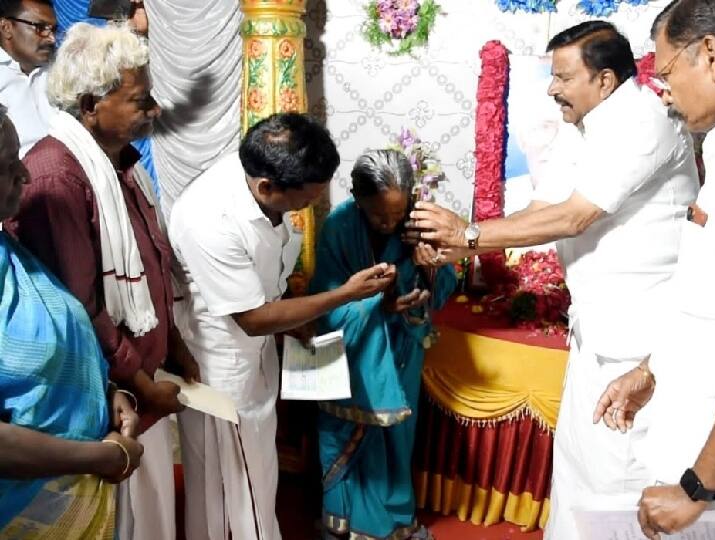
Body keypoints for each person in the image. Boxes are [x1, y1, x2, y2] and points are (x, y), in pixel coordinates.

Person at [405, 21, 699, 540]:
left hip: (640, 346)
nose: (551, 88)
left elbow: (575, 218)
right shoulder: (583, 124)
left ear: (604, 80)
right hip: (595, 335)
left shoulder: (642, 119)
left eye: (562, 76)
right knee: (577, 475)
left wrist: (468, 233)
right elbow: (543, 209)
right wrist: (455, 244)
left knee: (620, 483)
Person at [4, 22, 197, 540]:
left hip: (135, 387)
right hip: (106, 396)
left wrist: (172, 345)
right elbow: (81, 305)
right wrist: (139, 384)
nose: (153, 110)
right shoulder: (55, 178)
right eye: (140, 100)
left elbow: (151, 265)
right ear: (90, 105)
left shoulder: (120, 163)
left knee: (146, 516)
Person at [169, 113, 396, 540]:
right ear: (267, 187)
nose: (308, 207)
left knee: (246, 476)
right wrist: (346, 293)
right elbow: (253, 319)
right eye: (304, 201)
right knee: (238, 483)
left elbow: (264, 286)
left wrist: (297, 322)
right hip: (221, 366)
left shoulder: (263, 184)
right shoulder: (210, 217)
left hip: (254, 351)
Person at [588, 1, 715, 537]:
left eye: (665, 73)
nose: (663, 91)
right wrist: (652, 367)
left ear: (710, 55)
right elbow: (703, 297)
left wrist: (699, 487)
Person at [0, 107, 143, 537]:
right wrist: (101, 458)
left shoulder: (9, 250)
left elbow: (52, 342)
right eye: (7, 166)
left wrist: (106, 391)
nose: (25, 175)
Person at [310, 149, 456, 540]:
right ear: (358, 198)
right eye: (379, 215)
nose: (390, 223)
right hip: (353, 351)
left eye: (397, 212)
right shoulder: (340, 227)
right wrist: (379, 304)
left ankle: (392, 520)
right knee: (347, 432)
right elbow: (324, 302)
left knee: (395, 436)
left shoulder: (421, 222)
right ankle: (343, 519)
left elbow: (443, 290)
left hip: (403, 348)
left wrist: (430, 266)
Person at [0, 0, 56, 157]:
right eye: (40, 28)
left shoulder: (59, 70)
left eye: (53, 30)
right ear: (6, 27)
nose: (51, 39)